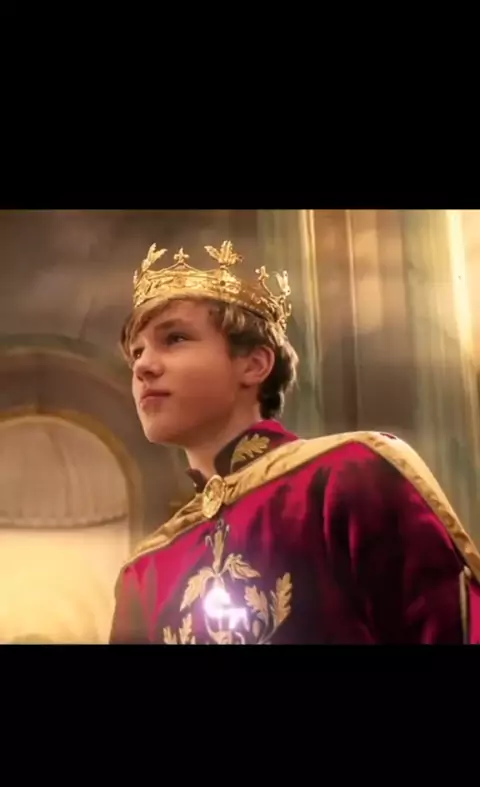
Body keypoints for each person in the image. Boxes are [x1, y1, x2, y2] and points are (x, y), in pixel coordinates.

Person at [109, 240, 480, 644]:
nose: (143, 366)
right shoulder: (145, 572)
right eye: (136, 353)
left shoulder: (349, 475)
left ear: (254, 364)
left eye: (175, 338)